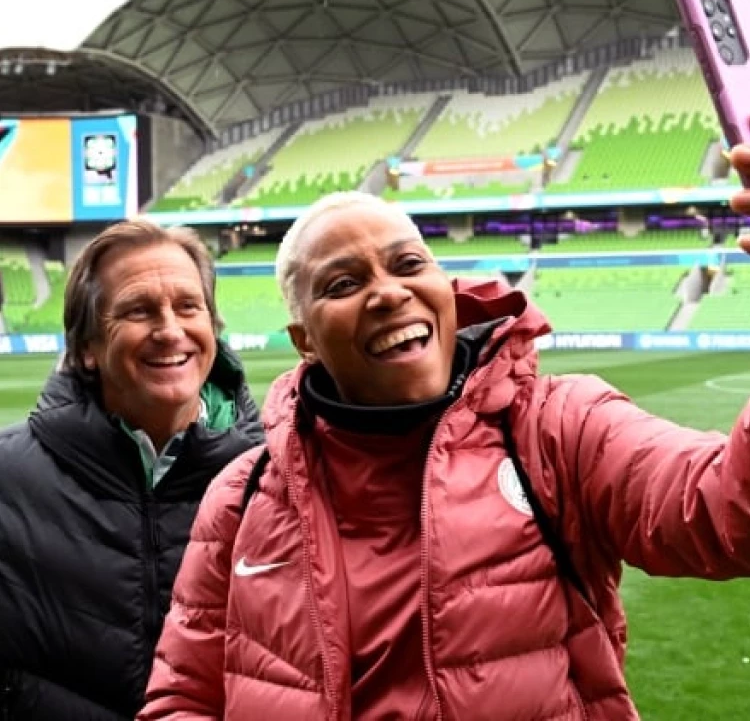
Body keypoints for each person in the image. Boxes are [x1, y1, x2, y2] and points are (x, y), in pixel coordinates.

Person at [139, 146, 750, 721]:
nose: (388, 292)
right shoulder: (243, 497)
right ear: (305, 342)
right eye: (344, 284)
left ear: (447, 292)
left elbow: (724, 513)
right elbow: (183, 696)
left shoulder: (558, 428)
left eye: (409, 264)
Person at [0, 220, 264, 720]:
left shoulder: (276, 480)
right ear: (86, 349)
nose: (170, 330)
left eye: (189, 306)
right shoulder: (7, 480)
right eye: (139, 311)